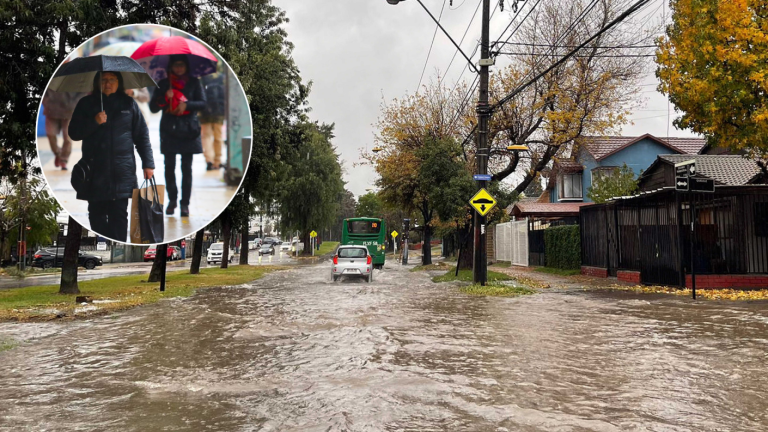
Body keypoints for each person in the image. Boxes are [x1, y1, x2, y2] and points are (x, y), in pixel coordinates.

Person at [69, 71, 155, 242]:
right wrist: (94, 121)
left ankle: (117, 243)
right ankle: (108, 242)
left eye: (112, 80)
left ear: (118, 82)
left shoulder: (129, 104)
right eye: (103, 80)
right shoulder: (86, 104)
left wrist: (148, 164)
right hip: (94, 173)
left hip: (122, 171)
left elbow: (142, 136)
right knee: (96, 216)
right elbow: (74, 133)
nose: (107, 83)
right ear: (96, 83)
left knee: (119, 217)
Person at [149, 54, 206, 217]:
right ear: (170, 66)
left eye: (182, 65)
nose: (179, 68)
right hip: (169, 130)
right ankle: (172, 199)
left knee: (186, 168)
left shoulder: (194, 82)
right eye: (176, 65)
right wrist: (164, 98)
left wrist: (187, 104)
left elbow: (202, 103)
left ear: (186, 66)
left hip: (189, 129)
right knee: (169, 167)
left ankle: (185, 204)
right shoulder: (164, 83)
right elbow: (153, 107)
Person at [42, 89, 85, 170]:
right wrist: (46, 101)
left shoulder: (75, 77)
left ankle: (64, 159)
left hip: (70, 111)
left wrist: (74, 103)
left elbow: (83, 91)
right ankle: (58, 153)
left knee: (68, 137)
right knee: (50, 134)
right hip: (51, 110)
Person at [199, 70, 225, 171]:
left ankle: (209, 160)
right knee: (218, 137)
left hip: (205, 111)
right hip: (219, 111)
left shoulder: (201, 79)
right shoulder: (221, 78)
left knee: (206, 137)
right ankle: (217, 161)